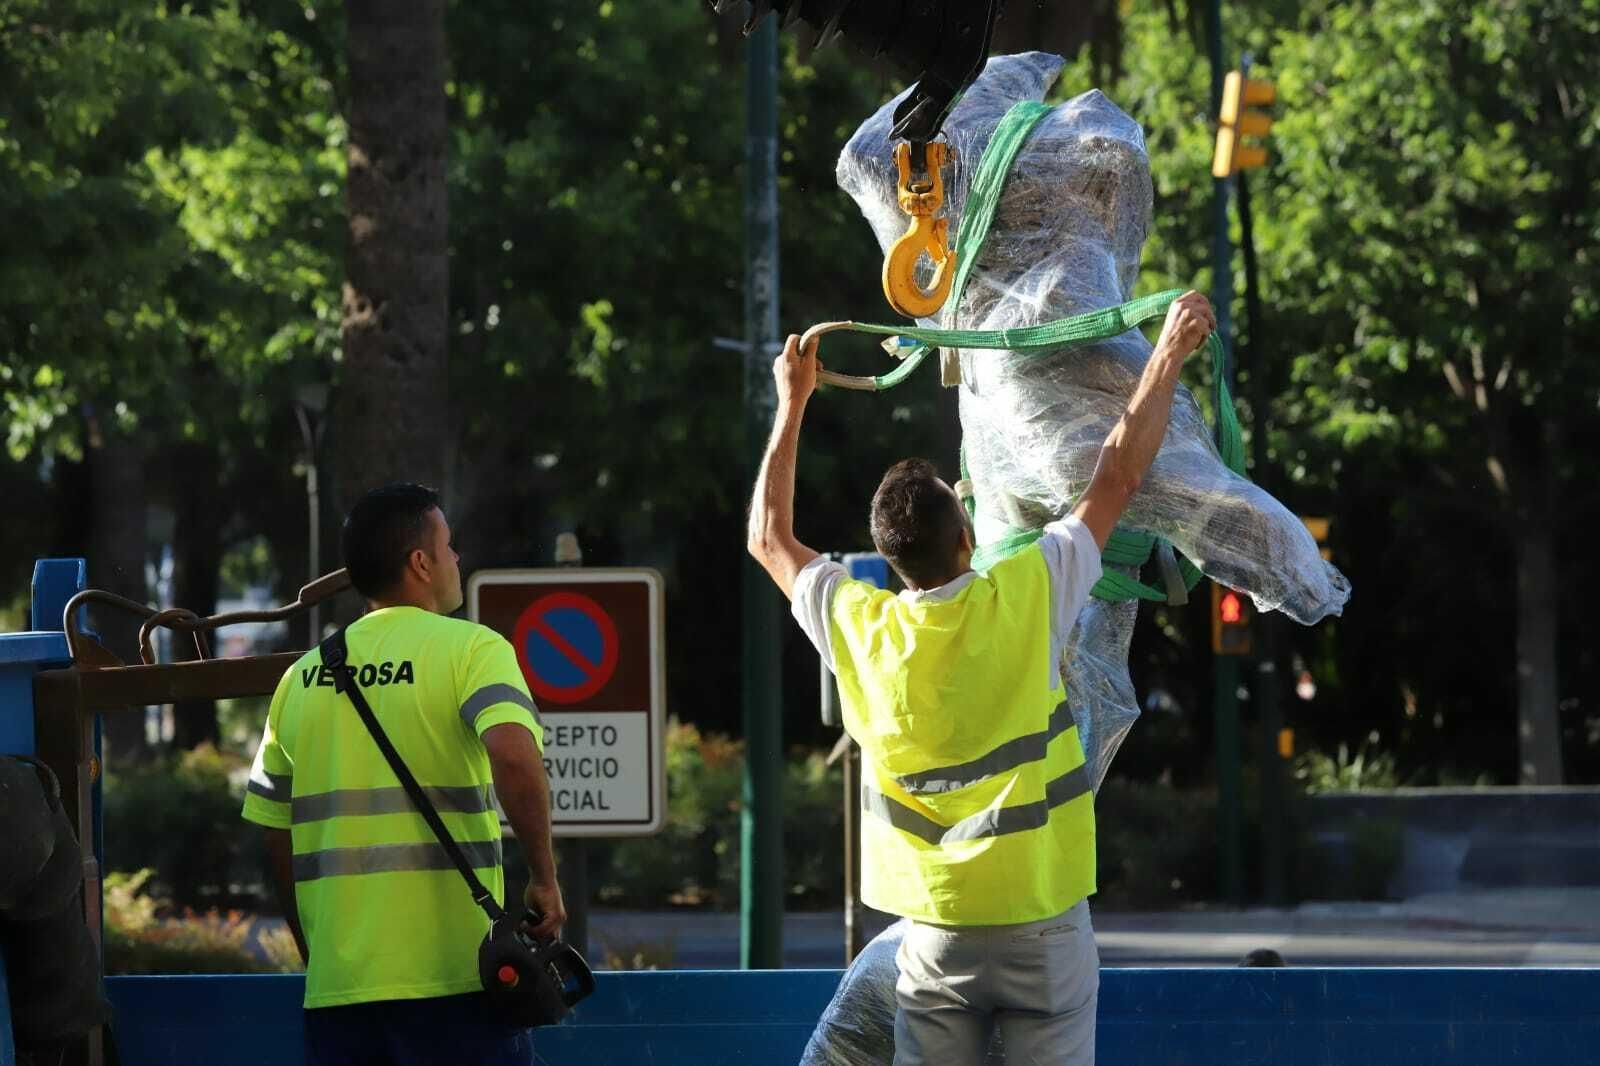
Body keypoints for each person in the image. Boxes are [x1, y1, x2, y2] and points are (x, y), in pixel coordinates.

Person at [747, 292, 1216, 1066]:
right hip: (1042, 920)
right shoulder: (1026, 593)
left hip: (935, 933)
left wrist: (790, 403)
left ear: (891, 558)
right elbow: (1118, 475)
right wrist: (1166, 353)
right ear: (969, 535)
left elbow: (769, 538)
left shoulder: (862, 628)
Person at [242, 483, 564, 1066]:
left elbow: (274, 829)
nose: (458, 558)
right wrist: (544, 877)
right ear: (421, 562)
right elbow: (515, 757)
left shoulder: (302, 677)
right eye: (449, 546)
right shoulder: (471, 650)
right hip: (456, 986)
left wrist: (317, 952)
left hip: (340, 994)